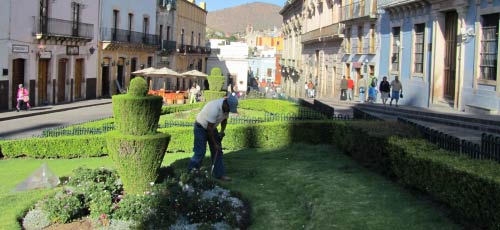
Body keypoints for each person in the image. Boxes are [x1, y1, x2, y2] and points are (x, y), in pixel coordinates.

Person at [187, 94, 239, 181]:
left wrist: (222, 131)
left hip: (212, 128)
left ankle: (219, 174)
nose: (229, 111)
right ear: (226, 103)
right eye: (229, 109)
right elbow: (209, 130)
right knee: (200, 152)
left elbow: (224, 120)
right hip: (201, 127)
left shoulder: (226, 108)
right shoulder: (214, 108)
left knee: (218, 151)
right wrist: (215, 144)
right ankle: (191, 173)